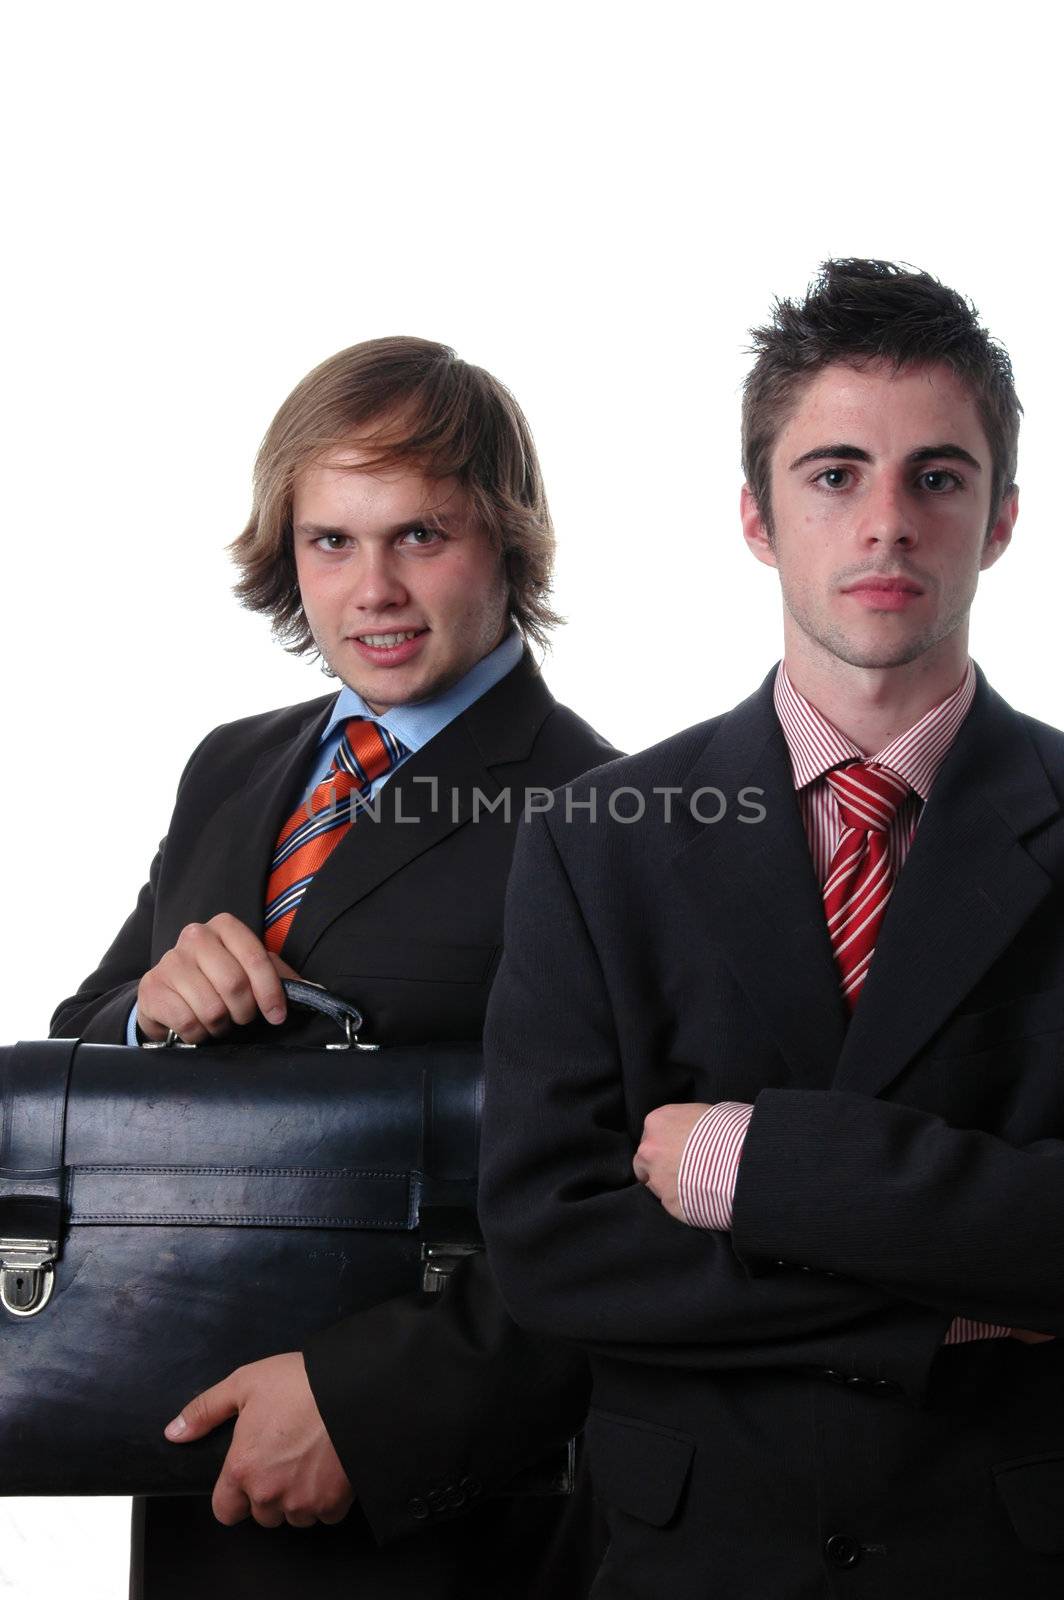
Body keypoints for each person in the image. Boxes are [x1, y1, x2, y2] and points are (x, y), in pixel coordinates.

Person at [479, 259, 1064, 1597]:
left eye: (938, 476)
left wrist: (755, 1166)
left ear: (1003, 518)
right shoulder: (599, 838)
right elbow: (553, 1248)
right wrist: (953, 1294)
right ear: (757, 517)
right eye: (834, 474)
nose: (887, 526)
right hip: (692, 1559)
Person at [51, 336, 616, 1599]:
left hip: (437, 1513)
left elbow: (624, 1207)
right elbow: (69, 1067)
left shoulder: (602, 812)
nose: (374, 589)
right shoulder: (231, 765)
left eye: (421, 535)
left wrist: (369, 1409)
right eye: (331, 541)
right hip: (190, 1471)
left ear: (508, 546)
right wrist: (142, 1014)